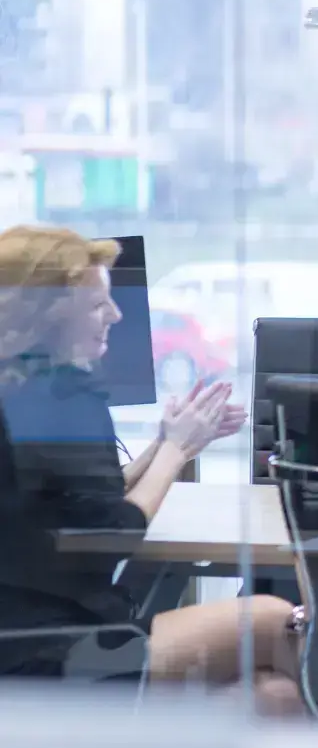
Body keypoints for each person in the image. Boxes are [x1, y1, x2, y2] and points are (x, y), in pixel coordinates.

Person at [0, 226, 302, 714]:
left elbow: (69, 505)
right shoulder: (60, 396)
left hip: (27, 636)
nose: (116, 315)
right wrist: (176, 451)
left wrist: (166, 442)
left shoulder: (24, 390)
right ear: (50, 316)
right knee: (277, 620)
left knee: (272, 698)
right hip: (42, 648)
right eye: (99, 305)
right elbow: (109, 535)